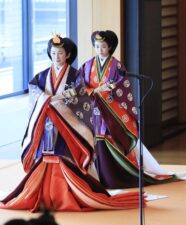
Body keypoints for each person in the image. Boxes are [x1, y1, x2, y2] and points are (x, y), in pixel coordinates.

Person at [0, 34, 141, 212]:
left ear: (67, 55)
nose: (56, 57)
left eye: (60, 53)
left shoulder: (75, 75)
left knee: (65, 155)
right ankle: (43, 193)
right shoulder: (42, 76)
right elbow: (34, 91)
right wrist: (45, 100)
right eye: (53, 53)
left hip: (68, 125)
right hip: (48, 123)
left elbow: (82, 97)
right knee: (46, 156)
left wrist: (59, 102)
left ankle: (68, 192)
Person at [78, 30, 178, 189]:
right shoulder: (88, 65)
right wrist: (92, 92)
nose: (100, 50)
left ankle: (113, 175)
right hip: (93, 109)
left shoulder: (116, 65)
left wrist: (103, 91)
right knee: (94, 139)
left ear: (110, 47)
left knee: (107, 138)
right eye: (97, 46)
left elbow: (121, 86)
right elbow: (81, 84)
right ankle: (96, 176)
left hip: (110, 110)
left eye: (103, 46)